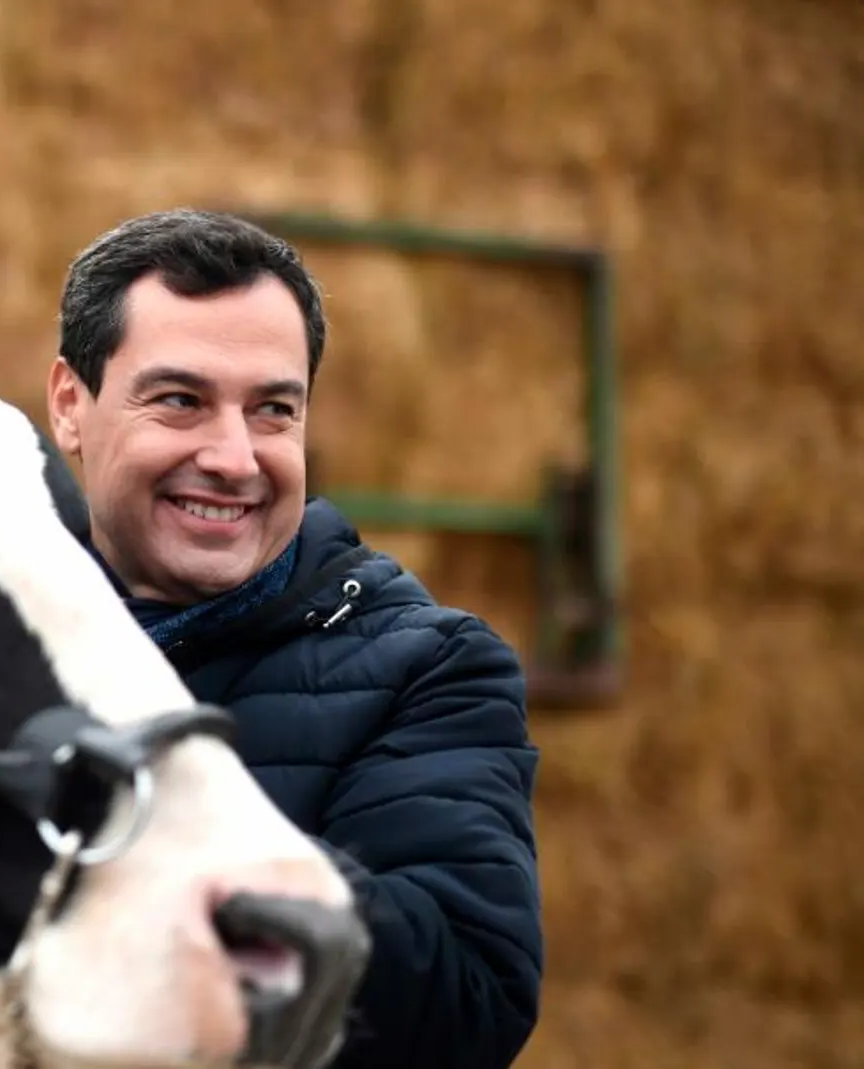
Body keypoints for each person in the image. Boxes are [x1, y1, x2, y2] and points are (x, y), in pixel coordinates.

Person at [41, 208, 544, 1069]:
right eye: (181, 400)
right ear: (70, 406)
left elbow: (468, 998)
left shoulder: (428, 668)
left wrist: (174, 827)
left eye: (273, 409)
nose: (235, 457)